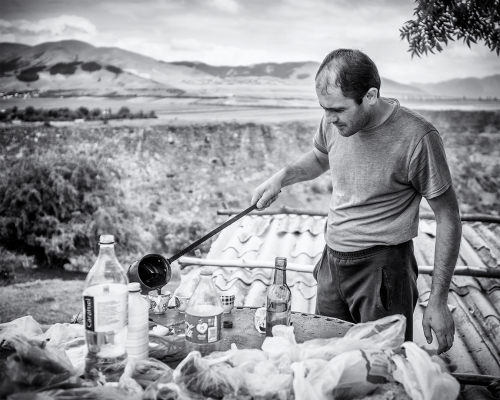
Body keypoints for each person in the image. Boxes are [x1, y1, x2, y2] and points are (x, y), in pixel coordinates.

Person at [251, 49, 462, 354]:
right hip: (332, 264)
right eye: (324, 109)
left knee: (380, 363)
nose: (329, 118)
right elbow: (320, 158)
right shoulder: (333, 121)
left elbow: (448, 217)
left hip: (383, 271)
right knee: (327, 359)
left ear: (371, 96)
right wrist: (281, 178)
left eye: (337, 109)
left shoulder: (418, 137)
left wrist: (439, 301)